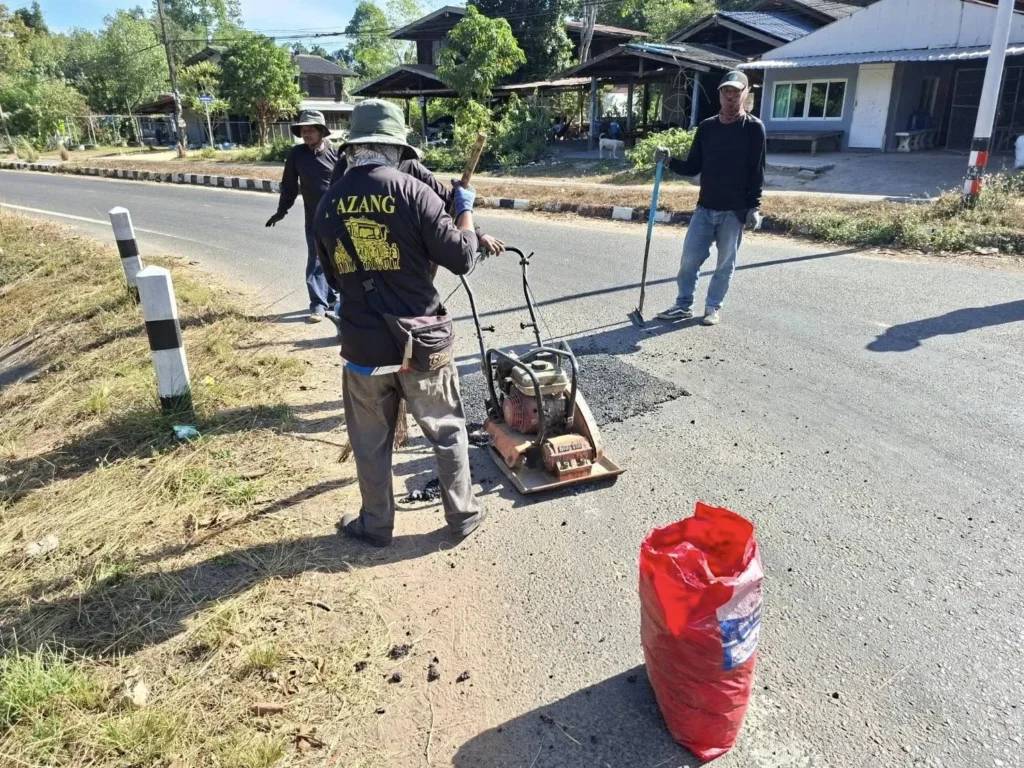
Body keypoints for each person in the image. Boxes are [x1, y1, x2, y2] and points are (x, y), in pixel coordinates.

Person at [313, 99, 486, 548]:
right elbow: (462, 257)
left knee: (370, 445)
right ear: (397, 149)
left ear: (353, 148)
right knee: (446, 431)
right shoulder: (414, 192)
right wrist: (465, 211)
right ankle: (462, 515)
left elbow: (333, 278)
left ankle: (376, 525)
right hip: (421, 343)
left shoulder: (328, 204)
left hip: (363, 349)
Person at [654, 70, 766, 326]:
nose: (730, 97)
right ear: (720, 94)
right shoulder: (707, 128)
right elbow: (693, 166)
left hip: (735, 211)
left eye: (736, 92)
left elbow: (757, 170)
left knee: (725, 264)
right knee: (689, 260)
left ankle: (713, 306)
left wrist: (754, 207)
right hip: (705, 207)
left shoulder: (754, 128)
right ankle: (683, 305)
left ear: (745, 94)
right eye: (726, 92)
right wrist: (669, 161)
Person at [330, 149, 505, 257]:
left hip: (406, 256)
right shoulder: (344, 168)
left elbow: (447, 201)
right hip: (358, 254)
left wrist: (478, 233)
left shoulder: (409, 166)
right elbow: (331, 213)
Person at [265, 109, 339, 323]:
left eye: (311, 130)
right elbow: (289, 185)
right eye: (303, 130)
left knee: (338, 260)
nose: (306, 134)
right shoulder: (297, 154)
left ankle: (333, 298)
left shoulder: (337, 154)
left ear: (321, 131)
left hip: (338, 219)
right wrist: (282, 211)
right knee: (316, 260)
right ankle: (317, 305)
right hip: (313, 219)